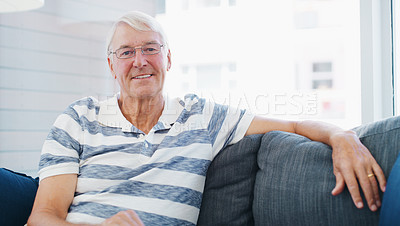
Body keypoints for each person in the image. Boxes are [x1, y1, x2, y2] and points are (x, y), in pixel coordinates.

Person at [27, 11, 385, 225]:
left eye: (151, 48)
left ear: (168, 59)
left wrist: (342, 138)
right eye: (126, 52)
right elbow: (42, 215)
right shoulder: (78, 118)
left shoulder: (202, 117)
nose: (139, 61)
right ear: (111, 65)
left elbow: (292, 125)